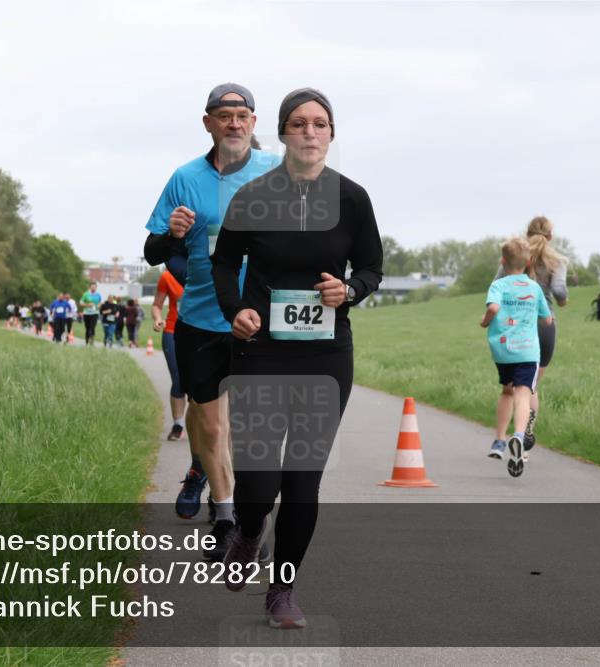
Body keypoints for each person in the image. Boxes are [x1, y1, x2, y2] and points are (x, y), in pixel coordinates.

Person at [212, 88, 383, 629]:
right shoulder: (252, 196)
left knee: (303, 479)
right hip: (260, 352)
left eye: (320, 124)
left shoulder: (352, 198)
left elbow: (372, 268)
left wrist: (349, 291)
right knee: (259, 484)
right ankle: (248, 528)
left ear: (331, 135)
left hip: (326, 356)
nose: (310, 132)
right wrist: (235, 308)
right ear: (284, 133)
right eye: (299, 123)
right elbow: (224, 264)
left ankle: (282, 591)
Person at [143, 83, 280, 554]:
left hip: (261, 320)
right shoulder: (185, 177)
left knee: (252, 430)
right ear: (208, 123)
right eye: (224, 115)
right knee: (214, 427)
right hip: (201, 320)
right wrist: (171, 235)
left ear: (254, 123)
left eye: (243, 115)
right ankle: (225, 517)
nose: (234, 123)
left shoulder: (277, 171)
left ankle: (250, 518)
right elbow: (152, 250)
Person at [494, 216, 569, 459]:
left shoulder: (514, 257)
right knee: (530, 386)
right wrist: (563, 300)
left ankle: (507, 438)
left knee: (512, 387)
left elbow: (497, 284)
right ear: (551, 236)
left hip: (514, 324)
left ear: (527, 232)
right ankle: (524, 438)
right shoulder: (556, 261)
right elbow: (558, 290)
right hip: (544, 325)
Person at [481, 237, 554, 477]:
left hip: (503, 350)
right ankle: (519, 437)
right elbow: (547, 319)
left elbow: (492, 308)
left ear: (503, 261)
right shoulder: (534, 288)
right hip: (528, 351)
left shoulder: (499, 285)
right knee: (524, 393)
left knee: (507, 390)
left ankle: (500, 441)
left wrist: (485, 321)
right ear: (529, 262)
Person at [152, 267, 188, 441]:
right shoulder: (167, 276)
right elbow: (157, 305)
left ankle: (202, 424)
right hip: (172, 331)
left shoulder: (206, 270)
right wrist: (158, 318)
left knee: (199, 383)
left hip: (200, 333)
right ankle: (178, 424)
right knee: (178, 379)